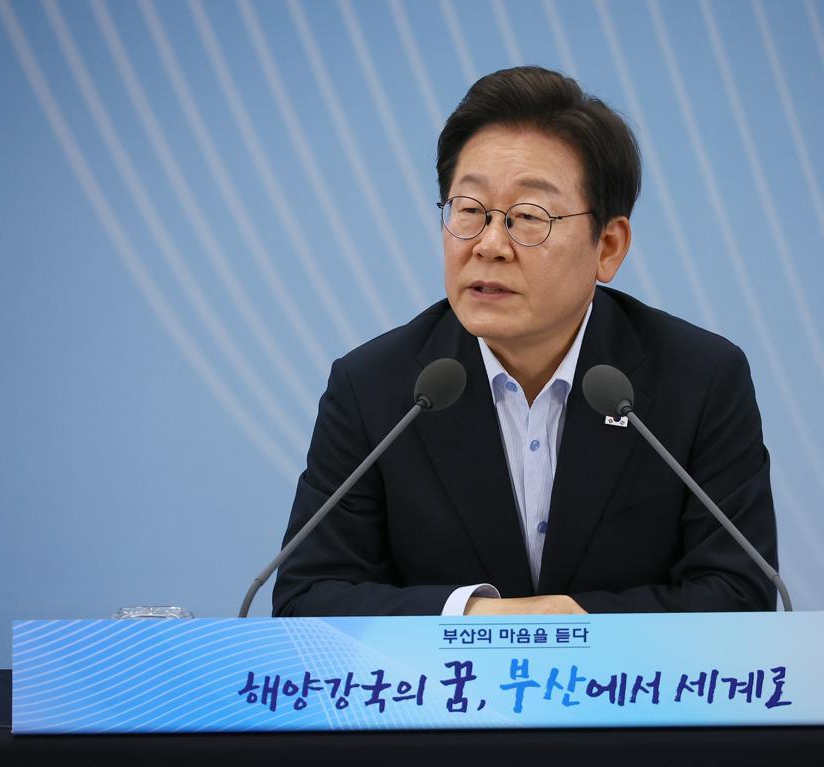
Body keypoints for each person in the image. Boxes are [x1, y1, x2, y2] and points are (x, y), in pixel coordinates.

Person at [272, 66, 778, 618]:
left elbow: (738, 596)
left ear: (608, 246)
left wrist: (579, 626)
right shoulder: (374, 389)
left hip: (627, 680)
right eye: (470, 210)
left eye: (529, 217)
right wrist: (474, 617)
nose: (489, 244)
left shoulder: (700, 380)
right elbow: (308, 598)